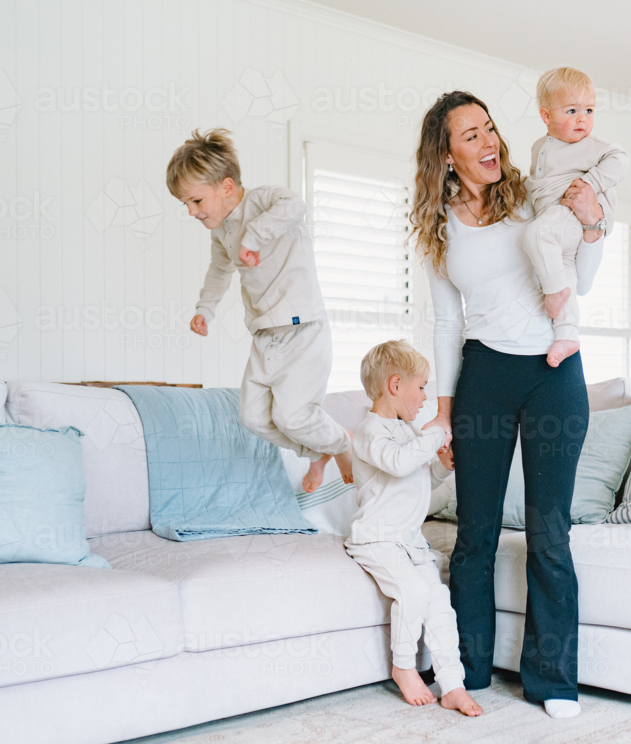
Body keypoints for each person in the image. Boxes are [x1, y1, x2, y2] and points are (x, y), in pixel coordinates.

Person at [411, 91, 607, 718]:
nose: (489, 141)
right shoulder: (439, 225)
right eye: (470, 135)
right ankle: (466, 669)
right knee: (475, 534)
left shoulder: (533, 193)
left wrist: (595, 224)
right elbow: (446, 323)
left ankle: (554, 680)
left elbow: (583, 275)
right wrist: (441, 410)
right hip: (484, 373)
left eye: (490, 128)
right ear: (445, 154)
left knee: (550, 533)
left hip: (554, 368)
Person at [166, 128, 352, 494]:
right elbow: (219, 271)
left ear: (227, 186)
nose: (191, 212)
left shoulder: (265, 200)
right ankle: (317, 450)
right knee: (252, 417)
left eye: (196, 201)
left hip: (303, 328)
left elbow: (295, 207)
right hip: (266, 335)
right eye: (185, 204)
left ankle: (342, 443)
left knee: (291, 414)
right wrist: (206, 310)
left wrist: (253, 237)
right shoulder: (220, 233)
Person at [345, 340, 482, 717]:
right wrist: (437, 432)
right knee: (413, 591)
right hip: (377, 539)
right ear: (395, 386)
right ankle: (403, 665)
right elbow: (400, 464)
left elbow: (418, 480)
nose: (425, 397)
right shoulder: (373, 431)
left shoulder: (406, 432)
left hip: (408, 542)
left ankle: (452, 683)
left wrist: (441, 465)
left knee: (439, 601)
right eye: (421, 387)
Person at [524, 67, 628, 368]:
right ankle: (567, 334)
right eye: (572, 110)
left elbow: (621, 161)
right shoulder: (538, 147)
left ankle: (553, 292)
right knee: (565, 271)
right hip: (556, 221)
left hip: (568, 213)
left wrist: (591, 184)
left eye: (589, 110)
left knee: (535, 235)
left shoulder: (593, 146)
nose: (583, 119)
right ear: (546, 116)